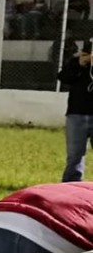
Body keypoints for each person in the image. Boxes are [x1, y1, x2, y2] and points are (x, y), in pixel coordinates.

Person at [57, 40, 93, 182]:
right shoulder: (76, 63)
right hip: (77, 113)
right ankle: (72, 184)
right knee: (75, 155)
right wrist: (79, 63)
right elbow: (63, 77)